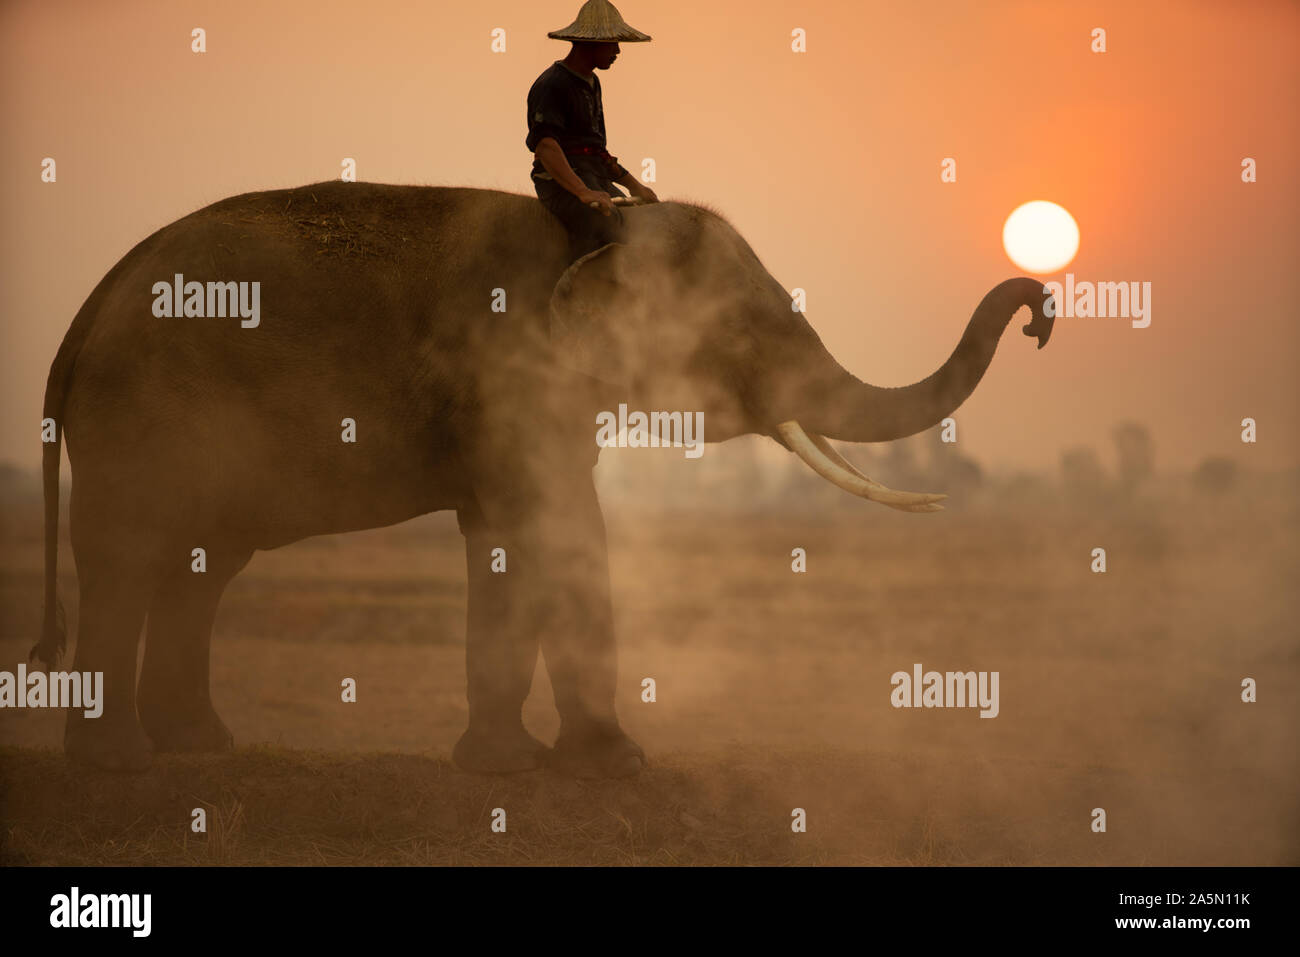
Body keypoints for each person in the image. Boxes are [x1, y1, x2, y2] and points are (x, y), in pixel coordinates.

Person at [526, 0, 659, 261]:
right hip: (559, 185)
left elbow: (596, 150)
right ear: (590, 43)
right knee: (604, 224)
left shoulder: (592, 83)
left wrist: (635, 186)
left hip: (595, 178)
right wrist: (582, 192)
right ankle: (574, 293)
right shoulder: (552, 85)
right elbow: (546, 146)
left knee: (637, 225)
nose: (618, 51)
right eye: (612, 43)